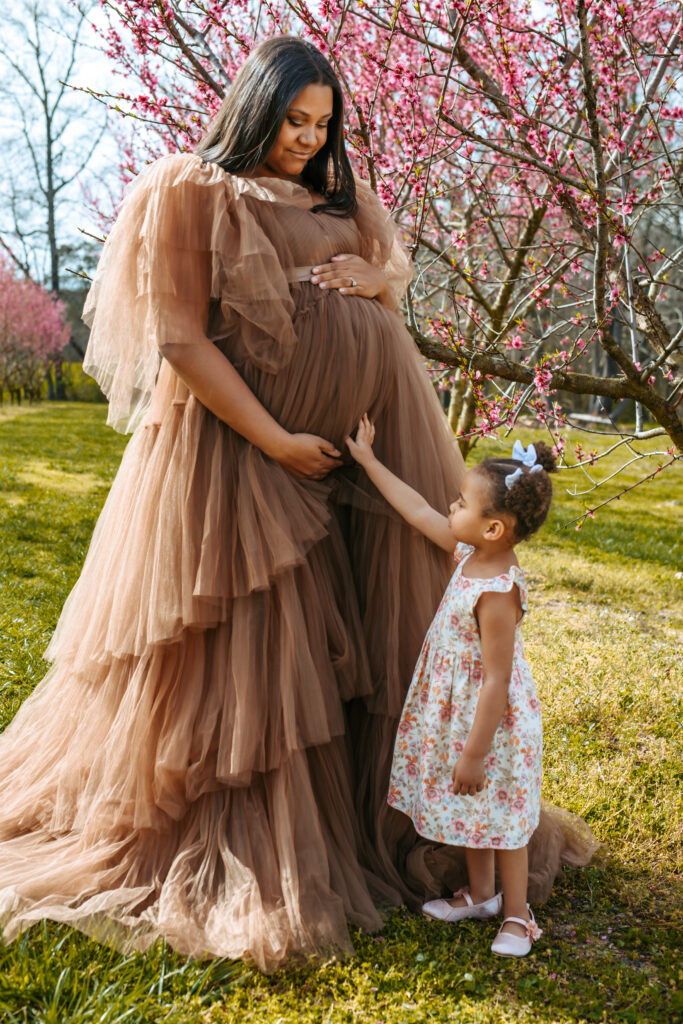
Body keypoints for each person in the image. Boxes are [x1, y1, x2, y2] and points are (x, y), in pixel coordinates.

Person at [0, 37, 595, 972]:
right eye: (294, 122)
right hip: (238, 453)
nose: (309, 141)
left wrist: (376, 283)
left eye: (323, 126)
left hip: (365, 445)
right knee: (256, 652)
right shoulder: (188, 189)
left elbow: (386, 275)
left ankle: (418, 822)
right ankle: (262, 842)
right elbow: (182, 340)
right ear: (254, 108)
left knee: (367, 624)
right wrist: (275, 438)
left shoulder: (341, 193)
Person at [347, 418, 575, 957]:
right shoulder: (469, 554)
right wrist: (369, 462)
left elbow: (497, 678)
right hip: (458, 712)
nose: (450, 508)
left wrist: (474, 753)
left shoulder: (498, 590)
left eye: (461, 503)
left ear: (493, 528)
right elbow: (419, 511)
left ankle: (518, 917)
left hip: (491, 725)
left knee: (503, 824)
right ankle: (479, 894)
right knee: (474, 814)